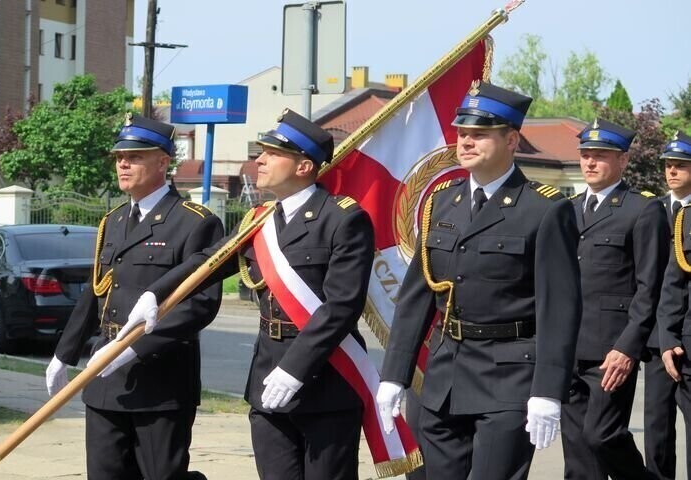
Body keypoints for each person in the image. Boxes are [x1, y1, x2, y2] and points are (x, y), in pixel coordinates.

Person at [115, 109, 375, 480]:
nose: (260, 161)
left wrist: (295, 368)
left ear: (303, 167)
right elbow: (210, 261)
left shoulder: (343, 219)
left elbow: (342, 306)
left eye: (271, 153)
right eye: (260, 152)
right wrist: (156, 293)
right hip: (267, 377)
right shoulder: (260, 219)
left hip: (325, 380)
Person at [376, 81, 582, 480]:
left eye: (479, 134)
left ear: (511, 139)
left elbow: (559, 309)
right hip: (445, 378)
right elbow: (417, 296)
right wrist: (394, 375)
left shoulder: (544, 209)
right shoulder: (442, 202)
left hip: (510, 379)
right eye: (462, 133)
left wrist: (547, 390)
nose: (466, 142)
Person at [44, 114, 223, 480]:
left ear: (163, 161)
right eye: (119, 157)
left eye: (135, 156)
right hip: (105, 382)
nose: (123, 163)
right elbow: (97, 294)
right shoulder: (113, 221)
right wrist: (64, 353)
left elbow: (199, 304)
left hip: (160, 381)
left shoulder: (195, 222)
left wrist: (132, 348)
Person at [561, 118, 669, 480]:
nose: (590, 163)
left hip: (611, 350)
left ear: (623, 161)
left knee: (601, 434)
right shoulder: (568, 209)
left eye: (601, 156)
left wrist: (628, 348)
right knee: (576, 451)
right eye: (585, 155)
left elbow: (649, 287)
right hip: (569, 347)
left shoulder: (642, 210)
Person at [645, 131, 691, 480]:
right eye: (668, 166)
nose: (672, 172)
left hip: (686, 334)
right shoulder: (652, 210)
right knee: (656, 428)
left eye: (681, 166)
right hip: (653, 337)